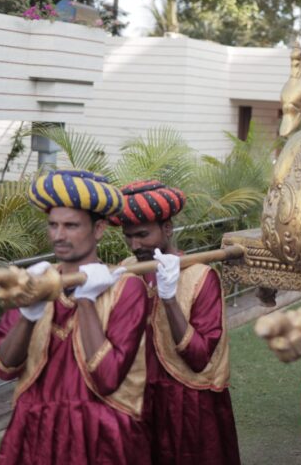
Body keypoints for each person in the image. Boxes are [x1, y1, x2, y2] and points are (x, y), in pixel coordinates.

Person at [0, 169, 150, 465]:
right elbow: (3, 367)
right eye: (53, 225)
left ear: (99, 228)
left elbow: (108, 378)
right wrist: (29, 313)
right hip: (35, 429)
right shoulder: (33, 281)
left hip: (101, 436)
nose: (58, 236)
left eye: (71, 225)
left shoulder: (128, 289)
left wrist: (86, 300)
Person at [111, 180, 240, 465]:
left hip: (189, 405)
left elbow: (198, 357)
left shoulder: (201, 278)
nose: (135, 245)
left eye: (143, 234)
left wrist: (168, 299)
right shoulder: (125, 272)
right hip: (139, 400)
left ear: (167, 228)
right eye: (128, 237)